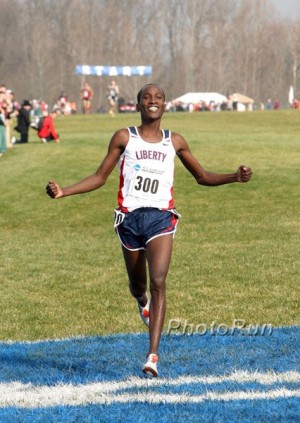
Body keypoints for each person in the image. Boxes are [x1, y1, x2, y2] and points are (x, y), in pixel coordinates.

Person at [46, 83, 253, 377]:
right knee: (139, 287)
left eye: (158, 98)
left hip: (161, 219)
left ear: (165, 106)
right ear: (139, 105)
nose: (152, 101)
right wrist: (63, 191)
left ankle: (152, 355)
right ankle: (141, 302)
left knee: (159, 282)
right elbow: (99, 177)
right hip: (129, 220)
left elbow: (202, 176)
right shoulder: (124, 137)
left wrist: (235, 176)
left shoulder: (175, 141)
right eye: (147, 98)